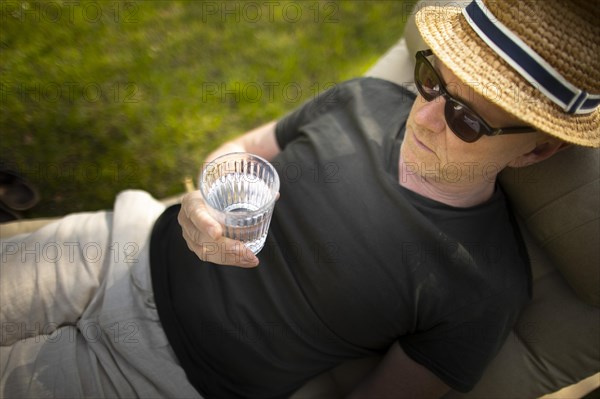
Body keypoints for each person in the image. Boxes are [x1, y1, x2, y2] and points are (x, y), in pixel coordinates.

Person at [1, 0, 598, 398]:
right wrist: (200, 200)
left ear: (534, 152)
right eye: (432, 81)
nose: (428, 117)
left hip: (158, 374)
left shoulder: (483, 286)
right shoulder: (363, 99)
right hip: (119, 241)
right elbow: (243, 148)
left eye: (468, 120)